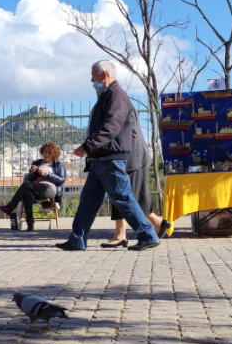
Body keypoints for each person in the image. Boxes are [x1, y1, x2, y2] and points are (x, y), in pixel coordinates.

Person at [55, 61, 160, 252]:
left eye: (93, 75)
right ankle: (77, 239)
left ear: (104, 74)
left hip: (110, 157)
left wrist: (87, 146)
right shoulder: (107, 95)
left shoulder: (116, 95)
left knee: (123, 198)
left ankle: (147, 234)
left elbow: (111, 126)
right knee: (88, 201)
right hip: (101, 158)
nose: (91, 80)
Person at [102, 118, 169, 247]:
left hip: (131, 155)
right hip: (133, 154)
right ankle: (157, 223)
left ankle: (121, 234)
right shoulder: (117, 101)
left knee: (121, 192)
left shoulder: (116, 101)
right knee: (131, 194)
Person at [0, 142, 66, 231]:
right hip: (36, 187)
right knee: (28, 194)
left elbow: (61, 180)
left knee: (26, 184)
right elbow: (30, 179)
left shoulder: (58, 164)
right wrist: (32, 173)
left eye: (49, 152)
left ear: (54, 154)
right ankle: (30, 224)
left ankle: (10, 207)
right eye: (45, 152)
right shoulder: (37, 163)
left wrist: (47, 174)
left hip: (49, 189)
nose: (46, 154)